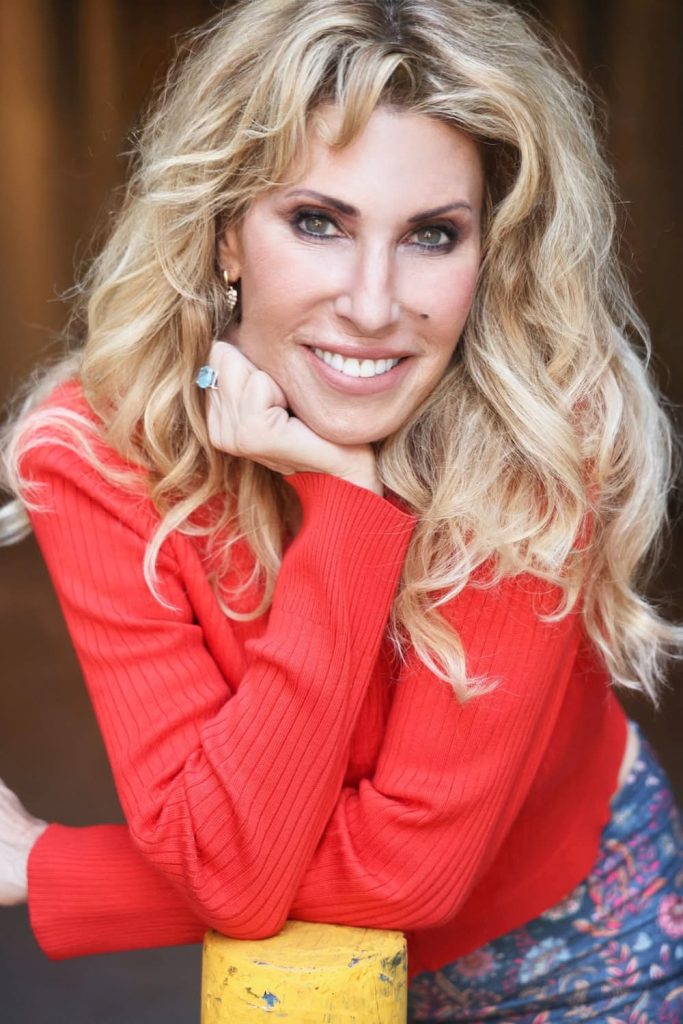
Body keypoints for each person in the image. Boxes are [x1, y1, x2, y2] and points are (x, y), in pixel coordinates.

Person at [1, 0, 682, 1019]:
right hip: (296, 980)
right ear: (225, 234)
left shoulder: (538, 435)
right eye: (317, 222)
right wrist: (348, 509)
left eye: (432, 235)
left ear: (489, 252)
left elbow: (405, 874)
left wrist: (56, 871)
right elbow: (233, 865)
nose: (370, 304)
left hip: (581, 947)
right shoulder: (94, 454)